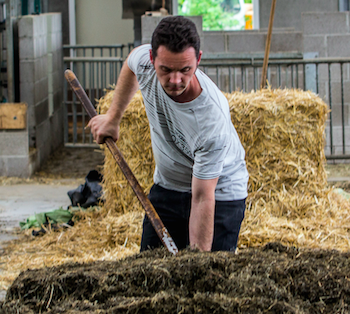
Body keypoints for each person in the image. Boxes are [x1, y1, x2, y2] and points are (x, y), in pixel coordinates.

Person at [88, 16, 248, 252]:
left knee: (211, 277)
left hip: (219, 193)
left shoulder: (210, 119)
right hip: (169, 185)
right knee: (151, 271)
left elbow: (203, 197)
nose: (175, 80)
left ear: (198, 60)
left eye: (185, 70)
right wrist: (113, 118)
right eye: (166, 69)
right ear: (153, 59)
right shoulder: (144, 61)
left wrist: (198, 264)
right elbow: (131, 63)